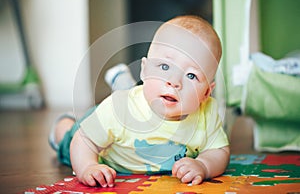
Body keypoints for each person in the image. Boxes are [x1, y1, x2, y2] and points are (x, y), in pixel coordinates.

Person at [49, 15, 230, 188]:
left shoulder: (207, 114)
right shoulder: (120, 108)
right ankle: (63, 125)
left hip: (120, 124)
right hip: (100, 136)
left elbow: (219, 151)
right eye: (164, 67)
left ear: (206, 92)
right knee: (69, 137)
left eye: (191, 75)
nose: (174, 81)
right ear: (144, 70)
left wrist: (204, 166)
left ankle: (122, 81)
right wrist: (88, 167)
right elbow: (84, 140)